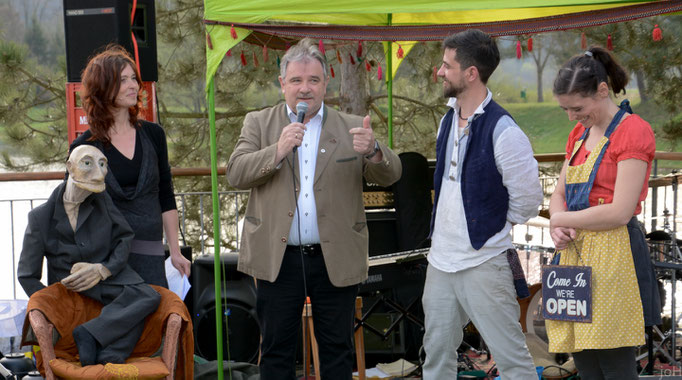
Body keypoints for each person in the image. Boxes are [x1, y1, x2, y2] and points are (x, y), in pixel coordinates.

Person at [226, 38, 402, 380]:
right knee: (276, 351)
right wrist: (276, 151)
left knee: (337, 352)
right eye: (296, 81)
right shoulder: (260, 123)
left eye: (313, 80)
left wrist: (375, 150)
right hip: (278, 259)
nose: (304, 89)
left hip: (333, 257)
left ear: (325, 84)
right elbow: (236, 172)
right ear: (282, 84)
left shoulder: (350, 125)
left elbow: (390, 175)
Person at [422, 29, 543, 379]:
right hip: (441, 263)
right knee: (436, 357)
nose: (440, 71)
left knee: (512, 359)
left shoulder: (505, 131)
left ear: (471, 73)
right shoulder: (448, 118)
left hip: (485, 263)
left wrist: (490, 229)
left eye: (447, 65)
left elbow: (528, 202)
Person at [546, 46, 659, 380]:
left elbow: (620, 212)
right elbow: (559, 195)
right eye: (565, 109)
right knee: (585, 361)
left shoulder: (633, 131)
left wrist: (561, 219)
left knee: (615, 362)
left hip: (616, 254)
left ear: (602, 90)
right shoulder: (578, 135)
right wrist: (557, 225)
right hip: (576, 256)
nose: (572, 116)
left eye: (577, 108)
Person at [18, 145, 160, 366]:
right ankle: (110, 351)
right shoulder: (40, 218)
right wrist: (53, 303)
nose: (100, 172)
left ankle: (94, 338)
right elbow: (26, 274)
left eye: (103, 164)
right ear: (70, 168)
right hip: (72, 288)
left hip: (108, 278)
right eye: (88, 163)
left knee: (149, 297)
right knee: (139, 305)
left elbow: (125, 236)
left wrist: (104, 269)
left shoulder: (101, 200)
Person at [69, 45, 190, 287]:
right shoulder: (84, 147)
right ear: (103, 88)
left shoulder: (154, 135)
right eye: (123, 80)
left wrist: (175, 252)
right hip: (105, 260)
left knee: (155, 319)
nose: (133, 85)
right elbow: (72, 209)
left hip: (152, 254)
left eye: (133, 78)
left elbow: (166, 195)